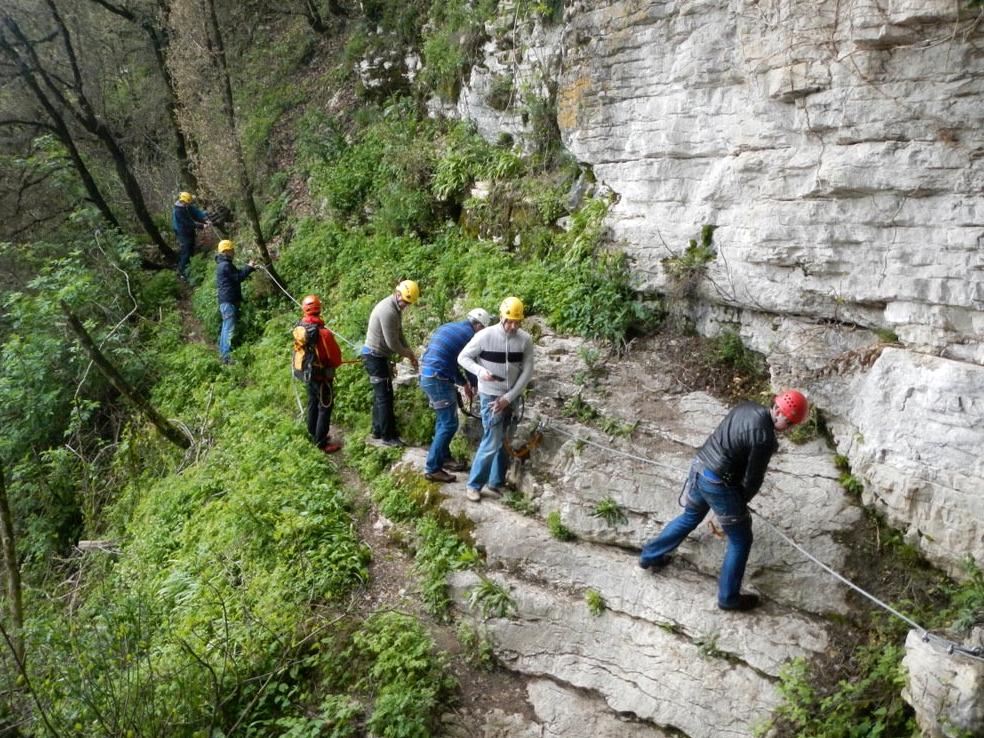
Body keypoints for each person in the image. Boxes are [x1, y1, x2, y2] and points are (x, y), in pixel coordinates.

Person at [638, 390, 810, 612]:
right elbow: (753, 479)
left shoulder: (747, 406)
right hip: (718, 482)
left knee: (690, 517)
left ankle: (649, 556)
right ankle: (728, 598)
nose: (789, 427)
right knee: (741, 539)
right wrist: (739, 505)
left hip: (700, 466)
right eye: (790, 422)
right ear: (780, 412)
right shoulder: (764, 438)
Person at [458, 296, 534, 502]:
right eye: (509, 321)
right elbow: (463, 357)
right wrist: (481, 371)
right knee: (492, 440)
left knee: (505, 440)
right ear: (501, 317)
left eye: (517, 322)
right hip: (490, 395)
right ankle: (473, 485)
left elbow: (527, 372)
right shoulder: (484, 335)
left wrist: (509, 398)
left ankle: (495, 482)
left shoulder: (525, 340)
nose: (513, 326)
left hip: (511, 396)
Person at [420, 308, 492, 483]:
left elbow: (452, 360)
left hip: (428, 375)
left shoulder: (451, 327)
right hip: (438, 378)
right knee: (449, 423)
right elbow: (469, 364)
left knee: (442, 420)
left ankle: (444, 457)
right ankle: (433, 468)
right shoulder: (470, 337)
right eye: (483, 329)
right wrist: (473, 385)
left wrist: (464, 383)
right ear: (478, 325)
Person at [361, 280, 420, 447]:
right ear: (398, 293)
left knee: (380, 396)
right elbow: (392, 343)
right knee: (385, 397)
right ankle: (388, 437)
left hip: (377, 356)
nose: (405, 305)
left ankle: (377, 430)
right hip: (375, 357)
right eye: (404, 301)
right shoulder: (388, 311)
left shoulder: (395, 307)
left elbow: (399, 334)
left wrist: (409, 351)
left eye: (408, 303)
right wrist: (407, 354)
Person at [298, 295, 343, 453]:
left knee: (312, 402)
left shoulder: (301, 327)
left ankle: (313, 433)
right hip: (322, 375)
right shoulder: (323, 333)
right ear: (319, 309)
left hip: (307, 373)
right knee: (325, 406)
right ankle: (321, 442)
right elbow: (336, 358)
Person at [215, 240, 255, 364]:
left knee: (225, 328)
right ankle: (226, 357)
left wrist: (248, 268)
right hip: (229, 301)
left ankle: (223, 354)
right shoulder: (226, 265)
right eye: (232, 250)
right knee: (228, 329)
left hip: (225, 301)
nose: (234, 252)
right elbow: (238, 277)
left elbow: (235, 275)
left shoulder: (222, 264)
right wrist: (249, 267)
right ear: (226, 251)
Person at [171, 191, 209, 281]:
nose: (189, 204)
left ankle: (190, 266)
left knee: (191, 247)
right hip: (181, 231)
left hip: (189, 230)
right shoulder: (178, 211)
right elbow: (187, 223)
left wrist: (204, 218)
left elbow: (196, 212)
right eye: (188, 202)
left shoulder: (187, 206)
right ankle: (183, 272)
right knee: (186, 250)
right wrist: (202, 226)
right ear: (183, 201)